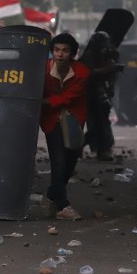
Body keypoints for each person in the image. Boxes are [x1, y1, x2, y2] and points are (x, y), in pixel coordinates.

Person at [41, 33, 88, 220]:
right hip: (51, 120)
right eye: (57, 50)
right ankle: (64, 206)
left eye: (65, 51)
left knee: (70, 164)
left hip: (73, 120)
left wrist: (46, 101)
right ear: (52, 51)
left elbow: (70, 98)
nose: (60, 54)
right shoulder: (43, 69)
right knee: (58, 162)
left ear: (72, 54)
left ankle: (53, 193)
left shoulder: (82, 72)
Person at [81, 31, 119, 161]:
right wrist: (106, 69)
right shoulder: (88, 56)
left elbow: (111, 75)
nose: (104, 49)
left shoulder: (106, 56)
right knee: (97, 124)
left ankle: (103, 149)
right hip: (89, 94)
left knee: (102, 123)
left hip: (101, 93)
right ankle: (92, 147)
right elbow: (89, 74)